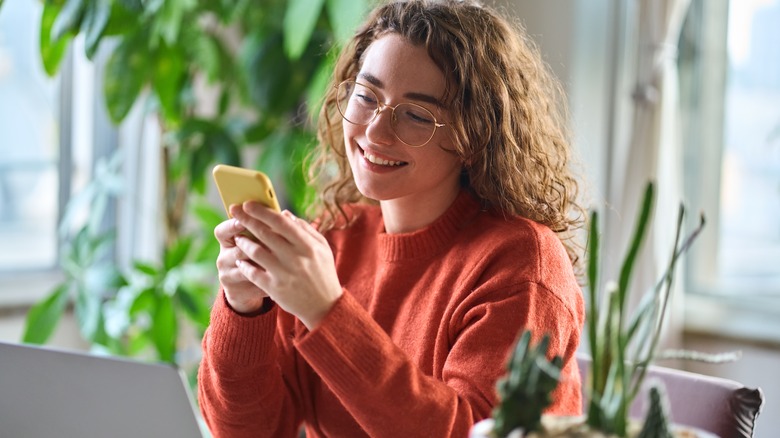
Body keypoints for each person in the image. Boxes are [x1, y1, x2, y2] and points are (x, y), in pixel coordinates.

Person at [198, 1, 586, 437]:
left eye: (417, 115)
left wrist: (327, 311)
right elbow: (250, 431)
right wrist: (243, 308)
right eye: (366, 96)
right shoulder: (335, 238)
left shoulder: (521, 264)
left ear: (474, 136)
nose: (375, 132)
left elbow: (474, 432)